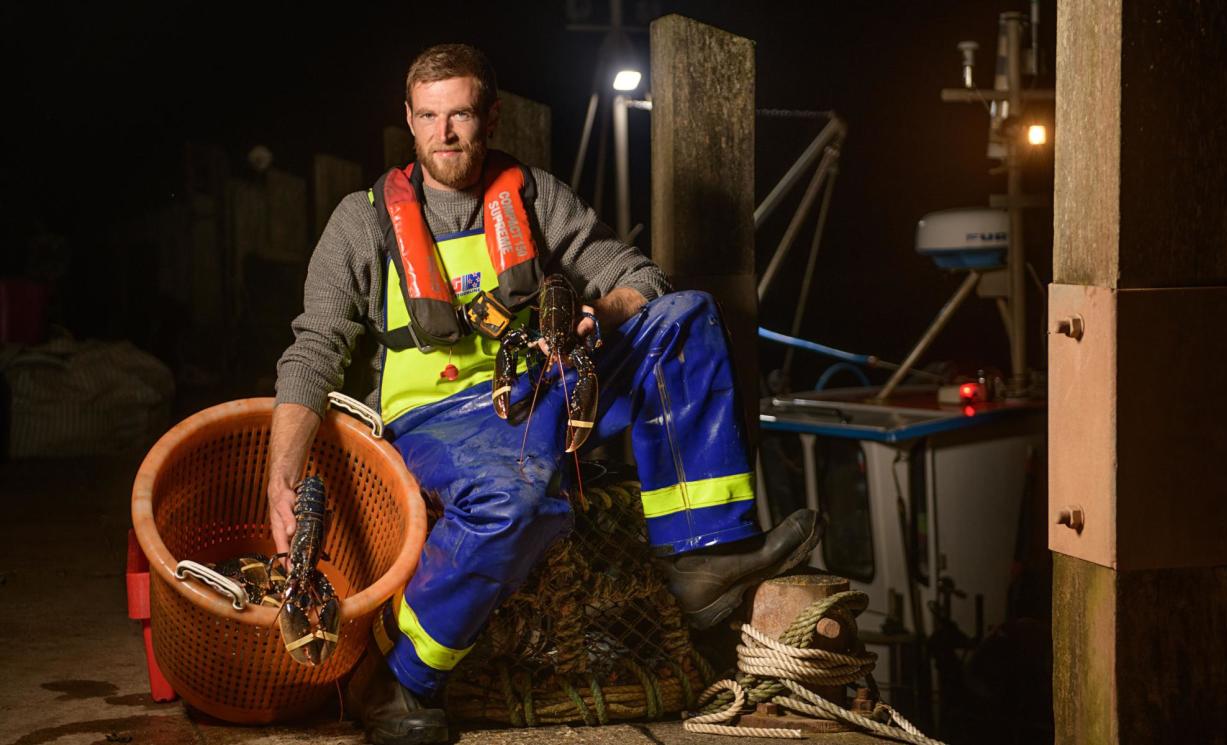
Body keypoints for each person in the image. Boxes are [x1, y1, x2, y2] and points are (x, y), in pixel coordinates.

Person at [269, 43, 822, 745]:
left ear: (489, 117)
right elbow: (313, 348)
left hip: (542, 384)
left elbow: (640, 275)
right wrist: (279, 476)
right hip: (435, 418)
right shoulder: (361, 219)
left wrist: (605, 311)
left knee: (686, 316)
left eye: (461, 114)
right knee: (522, 499)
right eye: (430, 116)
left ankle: (702, 555)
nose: (445, 133)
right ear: (409, 120)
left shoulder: (535, 196)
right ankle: (406, 674)